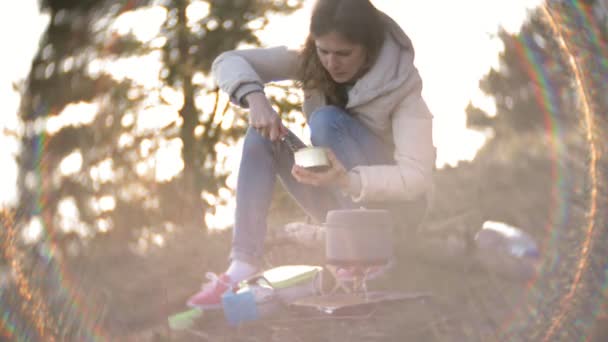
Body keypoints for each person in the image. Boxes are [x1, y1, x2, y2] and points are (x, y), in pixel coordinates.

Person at [187, 0, 435, 309]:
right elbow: (228, 60)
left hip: (389, 214)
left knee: (326, 120)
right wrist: (255, 99)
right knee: (262, 137)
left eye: (344, 53)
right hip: (337, 201)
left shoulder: (403, 87)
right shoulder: (310, 62)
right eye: (324, 51)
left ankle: (363, 258)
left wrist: (349, 179)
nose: (332, 63)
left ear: (368, 49)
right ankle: (243, 265)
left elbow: (417, 177)